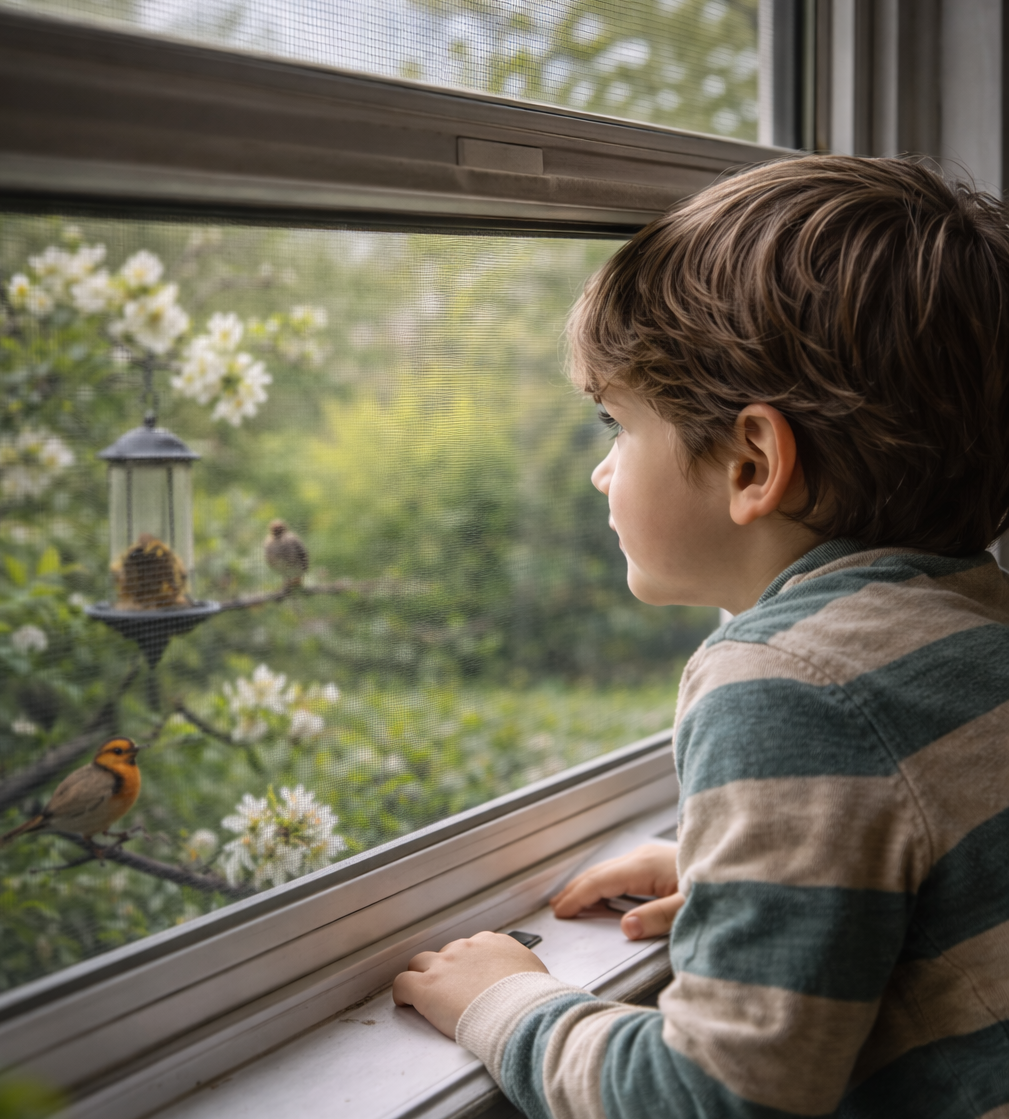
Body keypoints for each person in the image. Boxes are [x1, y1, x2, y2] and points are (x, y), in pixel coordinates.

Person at [392, 155, 1009, 1118]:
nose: (601, 473)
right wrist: (750, 877)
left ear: (752, 460)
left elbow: (710, 1100)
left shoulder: (783, 684)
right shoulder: (972, 630)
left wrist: (504, 1002)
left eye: (614, 423)